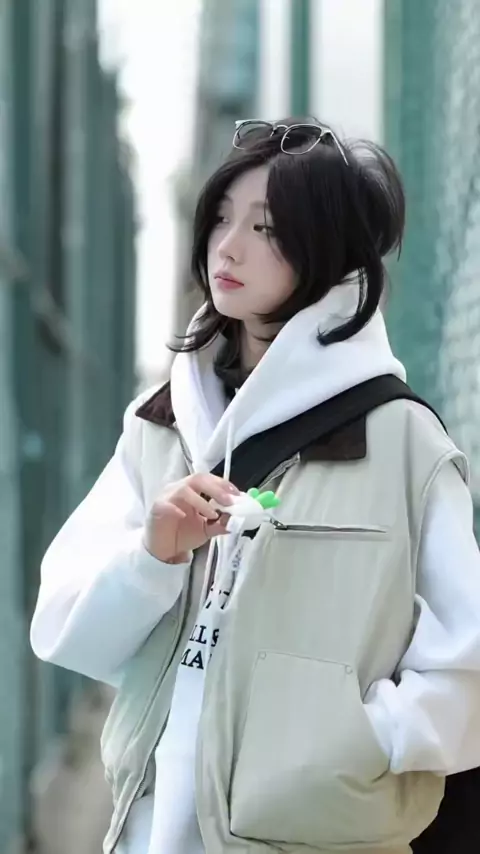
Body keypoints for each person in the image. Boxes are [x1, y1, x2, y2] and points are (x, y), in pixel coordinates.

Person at [30, 118, 480, 854]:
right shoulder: (160, 425)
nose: (227, 247)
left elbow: (465, 666)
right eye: (220, 218)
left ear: (327, 247)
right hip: (149, 826)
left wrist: (354, 745)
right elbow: (64, 629)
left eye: (265, 227)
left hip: (315, 837)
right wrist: (152, 559)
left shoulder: (402, 441)